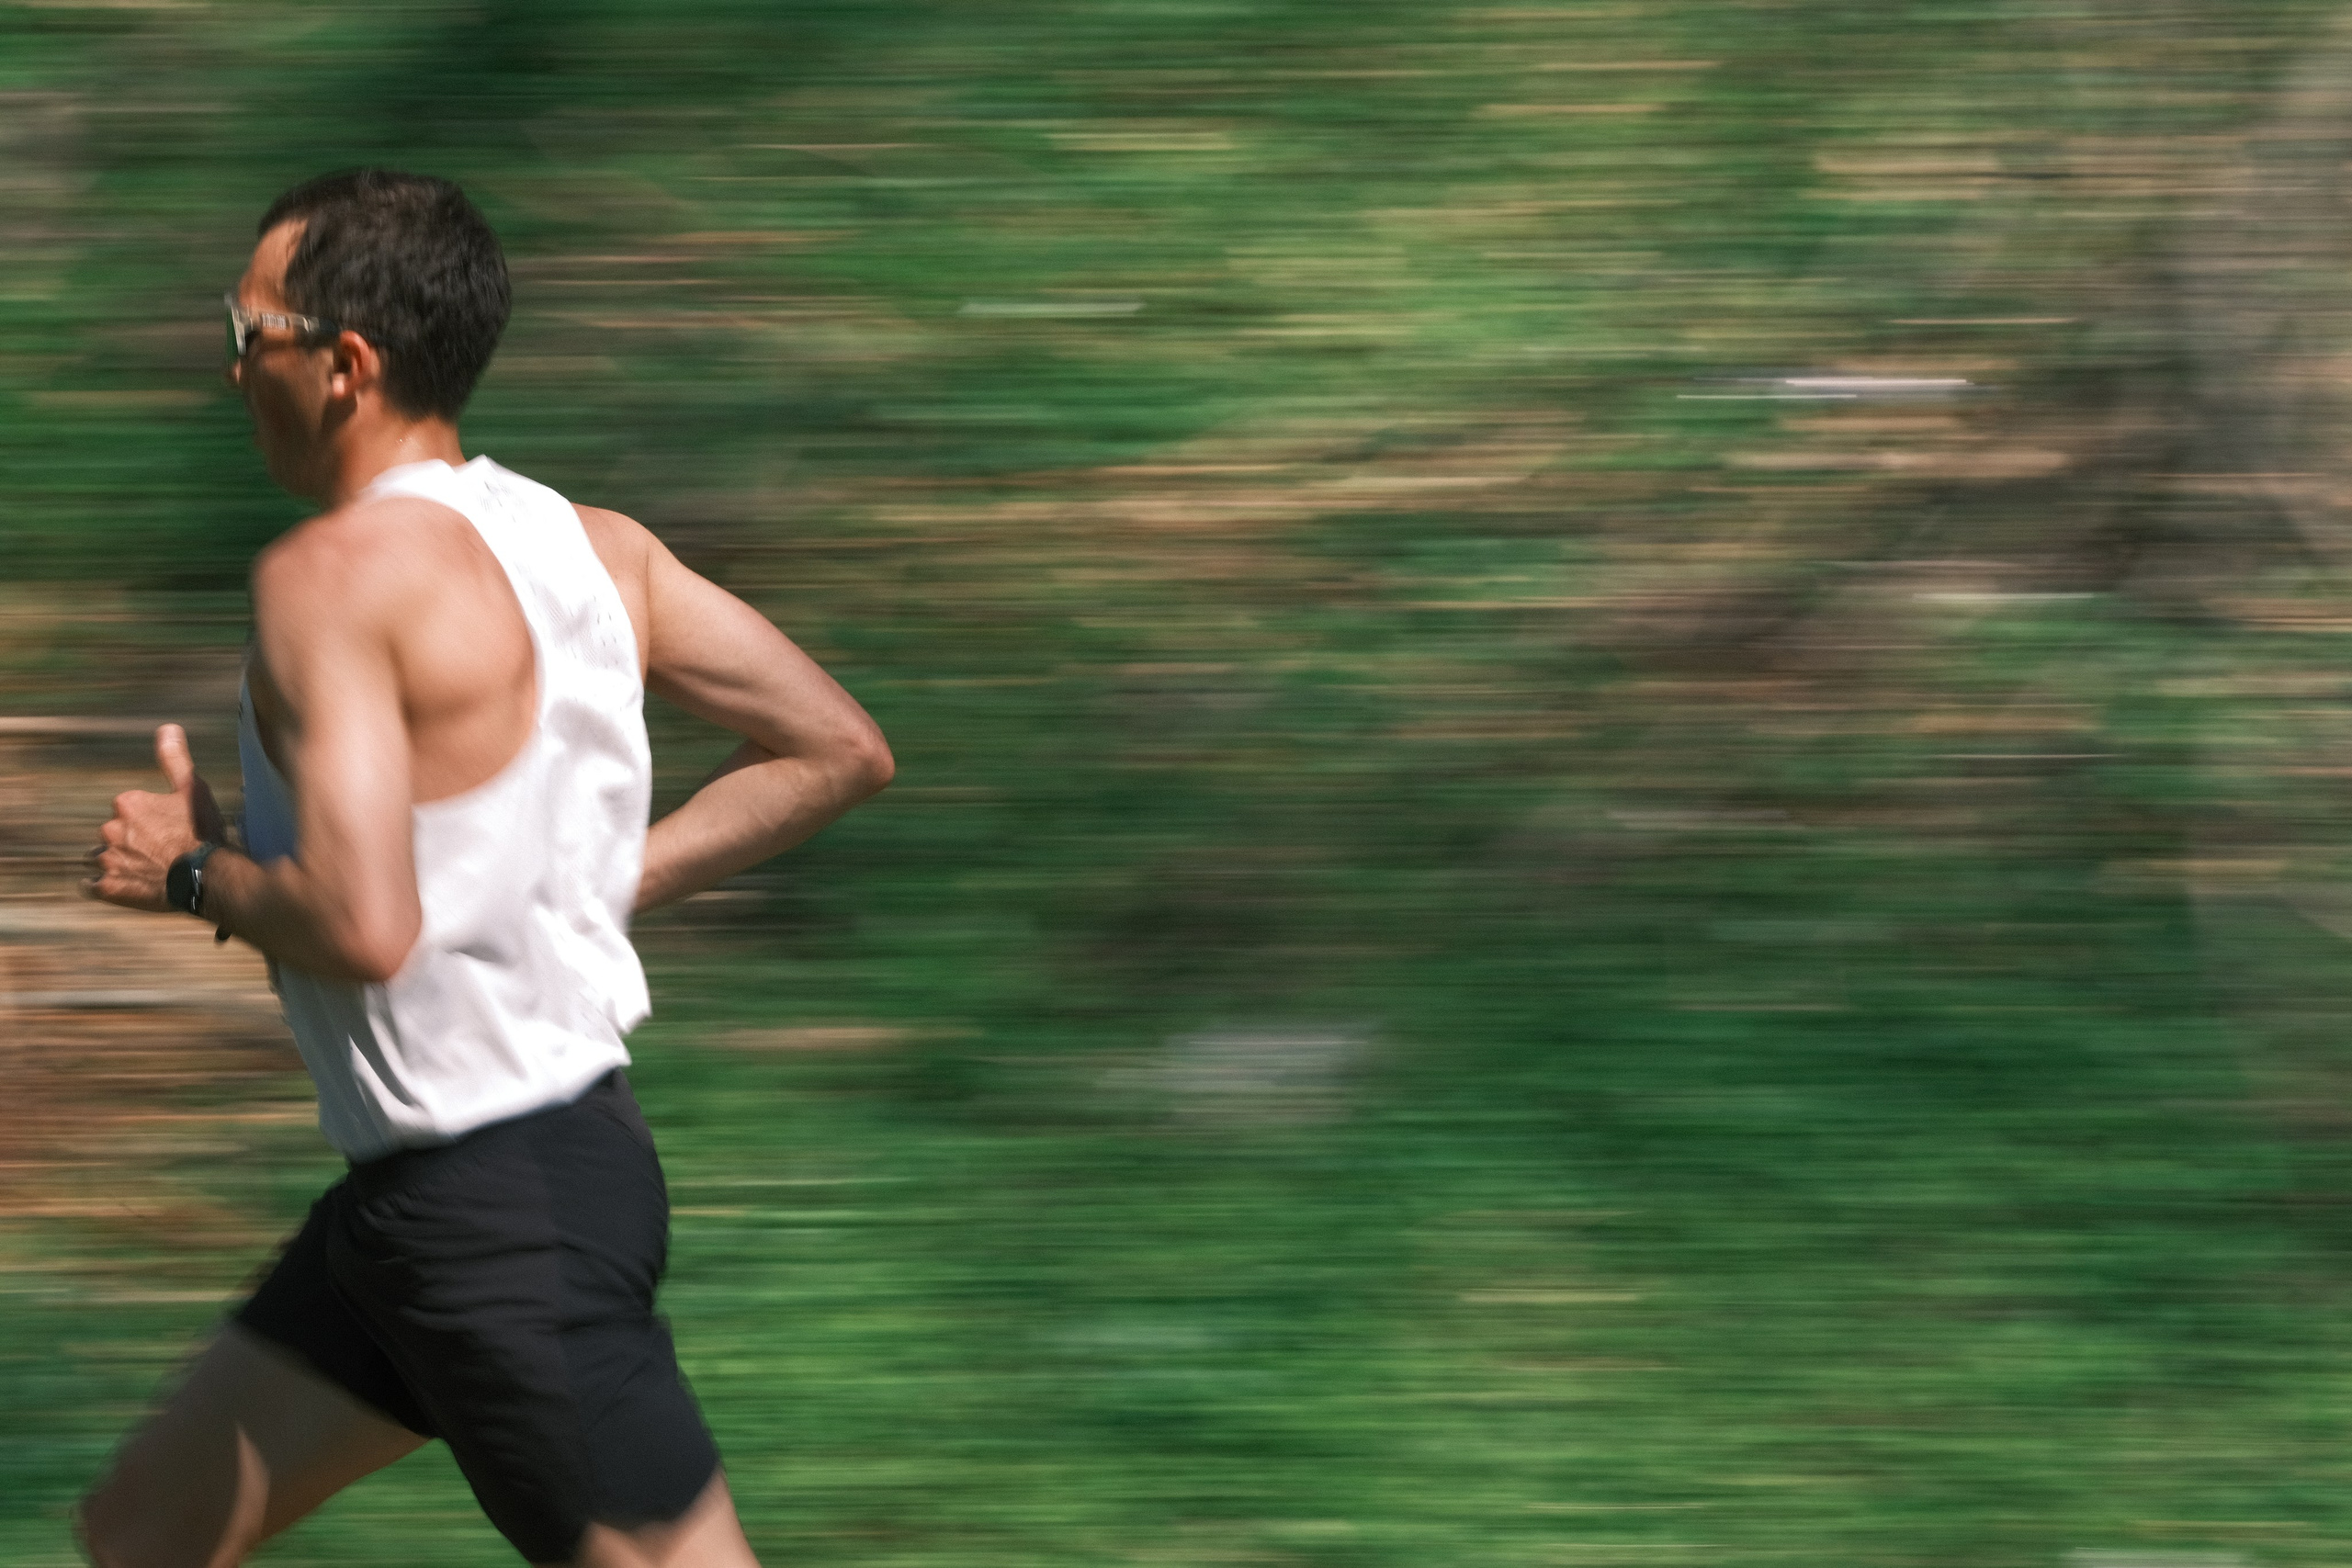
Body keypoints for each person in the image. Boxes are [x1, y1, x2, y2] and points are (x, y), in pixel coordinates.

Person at [74, 169, 893, 1568]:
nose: (229, 367)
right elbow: (833, 748)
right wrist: (580, 883)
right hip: (445, 1199)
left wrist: (193, 874)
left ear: (345, 366)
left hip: (494, 1221)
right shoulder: (596, 550)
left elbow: (361, 920)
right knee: (146, 1532)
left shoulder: (327, 578)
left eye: (246, 329)